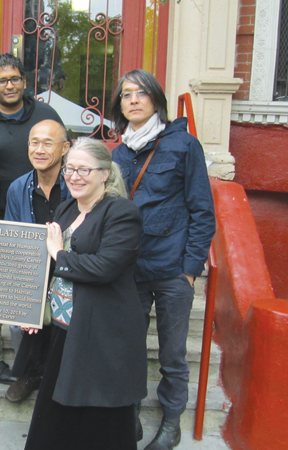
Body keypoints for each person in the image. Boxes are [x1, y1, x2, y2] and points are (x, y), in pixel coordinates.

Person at [111, 69, 216, 450]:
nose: (133, 100)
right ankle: (131, 414)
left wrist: (190, 270)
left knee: (172, 354)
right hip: (130, 270)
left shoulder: (184, 145)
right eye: (126, 95)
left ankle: (171, 423)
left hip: (173, 270)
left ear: (156, 99)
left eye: (141, 93)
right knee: (129, 347)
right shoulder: (118, 153)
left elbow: (203, 211)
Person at [24, 138, 147, 450]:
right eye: (69, 169)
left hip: (102, 335)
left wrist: (59, 254)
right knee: (55, 417)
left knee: (99, 419)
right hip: (65, 330)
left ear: (104, 173)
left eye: (83, 169)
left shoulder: (121, 212)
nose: (74, 176)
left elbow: (105, 267)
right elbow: (46, 267)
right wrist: (32, 310)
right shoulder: (67, 207)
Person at [0, 53, 65, 384]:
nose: (9, 85)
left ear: (25, 83)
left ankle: (37, 365)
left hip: (39, 211)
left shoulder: (44, 114)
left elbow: (61, 150)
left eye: (15, 79)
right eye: (2, 80)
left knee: (39, 289)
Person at [3, 119, 70, 403]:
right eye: (34, 142)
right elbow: (11, 233)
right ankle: (28, 374)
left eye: (48, 143)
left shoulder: (75, 183)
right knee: (19, 318)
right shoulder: (18, 187)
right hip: (31, 268)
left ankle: (60, 378)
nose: (39, 149)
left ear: (65, 148)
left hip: (68, 268)